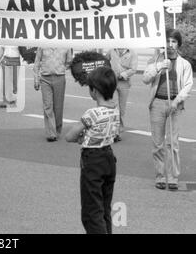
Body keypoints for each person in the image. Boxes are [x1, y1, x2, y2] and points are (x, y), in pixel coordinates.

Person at [66, 66, 120, 234]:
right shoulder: (115, 111)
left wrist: (81, 136)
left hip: (93, 161)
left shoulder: (92, 113)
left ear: (94, 91)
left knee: (91, 212)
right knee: (104, 207)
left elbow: (70, 136)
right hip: (109, 159)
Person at [142, 28, 193, 191]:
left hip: (175, 106)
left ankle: (172, 177)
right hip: (157, 104)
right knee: (158, 144)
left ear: (178, 44)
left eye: (174, 41)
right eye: (168, 41)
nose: (170, 45)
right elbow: (145, 78)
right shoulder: (156, 60)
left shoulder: (184, 64)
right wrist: (159, 66)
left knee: (173, 143)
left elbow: (188, 86)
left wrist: (176, 101)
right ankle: (160, 176)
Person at [33, 47, 73, 142]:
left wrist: (61, 67)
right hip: (45, 78)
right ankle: (51, 133)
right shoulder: (42, 45)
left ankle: (57, 129)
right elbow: (37, 62)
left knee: (58, 107)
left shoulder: (65, 45)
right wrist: (36, 79)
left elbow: (69, 61)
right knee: (47, 106)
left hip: (60, 77)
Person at [105, 48, 138, 142]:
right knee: (112, 106)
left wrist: (122, 75)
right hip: (112, 82)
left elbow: (133, 69)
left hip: (124, 83)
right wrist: (108, 72)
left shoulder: (132, 53)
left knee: (122, 109)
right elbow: (105, 61)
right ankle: (112, 131)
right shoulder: (111, 50)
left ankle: (118, 131)